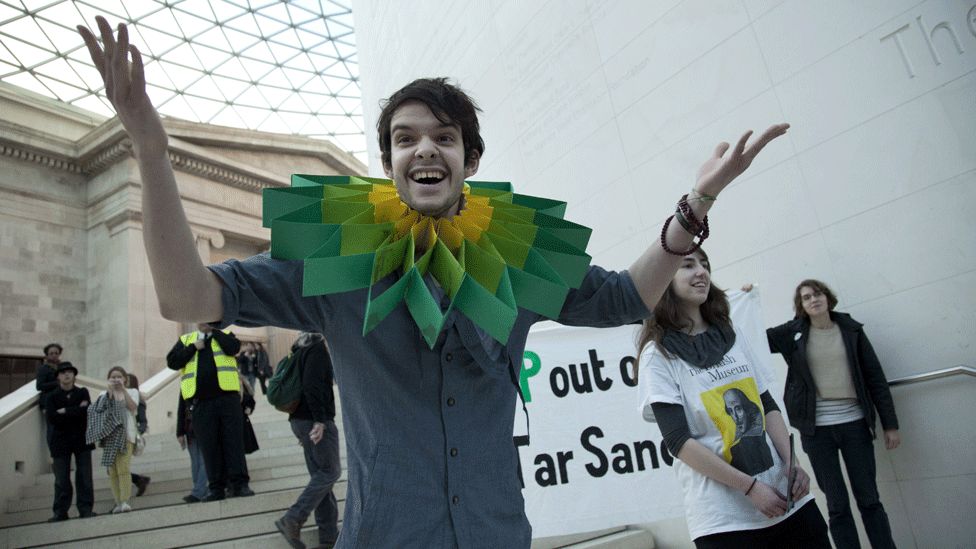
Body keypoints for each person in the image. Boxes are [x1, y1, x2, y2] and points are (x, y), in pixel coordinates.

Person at [77, 16, 787, 546]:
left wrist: (695, 208)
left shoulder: (517, 256)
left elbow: (625, 298)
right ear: (387, 159)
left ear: (469, 159)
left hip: (495, 531)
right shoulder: (337, 259)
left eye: (444, 136)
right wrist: (150, 147)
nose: (425, 148)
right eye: (406, 136)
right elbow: (186, 297)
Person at [636, 249, 829, 548]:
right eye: (688, 266)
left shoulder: (732, 334)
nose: (701, 272)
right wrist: (750, 488)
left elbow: (767, 405)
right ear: (664, 280)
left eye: (705, 265)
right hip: (726, 521)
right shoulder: (657, 355)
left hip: (789, 501)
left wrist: (793, 463)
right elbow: (678, 442)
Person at [765, 279, 900, 549]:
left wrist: (890, 425)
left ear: (827, 298)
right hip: (818, 432)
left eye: (817, 294)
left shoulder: (851, 330)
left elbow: (875, 378)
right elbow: (756, 339)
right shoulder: (794, 333)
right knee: (837, 505)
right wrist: (748, 297)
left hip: (854, 425)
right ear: (801, 306)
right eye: (806, 297)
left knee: (869, 499)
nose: (813, 300)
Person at [166, 323, 254, 500]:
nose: (204, 321)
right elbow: (172, 362)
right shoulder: (186, 340)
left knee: (234, 443)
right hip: (200, 403)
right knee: (209, 446)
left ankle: (240, 485)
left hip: (227, 399)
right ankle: (216, 489)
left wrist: (214, 332)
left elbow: (233, 348)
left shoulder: (225, 334)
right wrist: (193, 347)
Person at [275, 333, 341, 549]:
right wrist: (320, 421)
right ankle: (293, 518)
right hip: (314, 421)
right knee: (330, 472)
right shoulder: (317, 351)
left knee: (321, 477)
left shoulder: (300, 348)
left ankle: (329, 538)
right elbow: (312, 385)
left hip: (301, 420)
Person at [45, 362, 95, 521]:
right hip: (60, 441)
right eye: (63, 372)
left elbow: (86, 412)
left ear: (74, 375)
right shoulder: (51, 396)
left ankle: (85, 509)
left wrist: (65, 411)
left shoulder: (82, 392)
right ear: (58, 376)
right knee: (61, 479)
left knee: (84, 476)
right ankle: (60, 512)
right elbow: (52, 418)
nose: (66, 375)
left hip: (81, 439)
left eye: (69, 372)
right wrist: (76, 410)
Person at [87, 366, 140, 513]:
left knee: (123, 468)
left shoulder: (132, 392)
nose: (116, 379)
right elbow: (100, 410)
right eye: (113, 377)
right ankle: (117, 501)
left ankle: (125, 500)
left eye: (119, 377)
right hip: (110, 436)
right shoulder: (103, 393)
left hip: (126, 435)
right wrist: (110, 392)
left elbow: (133, 407)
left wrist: (122, 390)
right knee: (112, 471)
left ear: (125, 379)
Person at [176, 392, 209, 503]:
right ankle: (199, 489)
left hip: (205, 426)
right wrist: (179, 432)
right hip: (191, 428)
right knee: (196, 461)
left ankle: (198, 491)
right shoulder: (186, 383)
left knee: (203, 461)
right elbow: (181, 409)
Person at [127, 373, 151, 496]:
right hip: (121, 436)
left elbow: (142, 421)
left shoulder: (138, 400)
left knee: (117, 468)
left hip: (130, 437)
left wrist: (136, 433)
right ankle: (139, 480)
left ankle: (138, 481)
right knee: (115, 469)